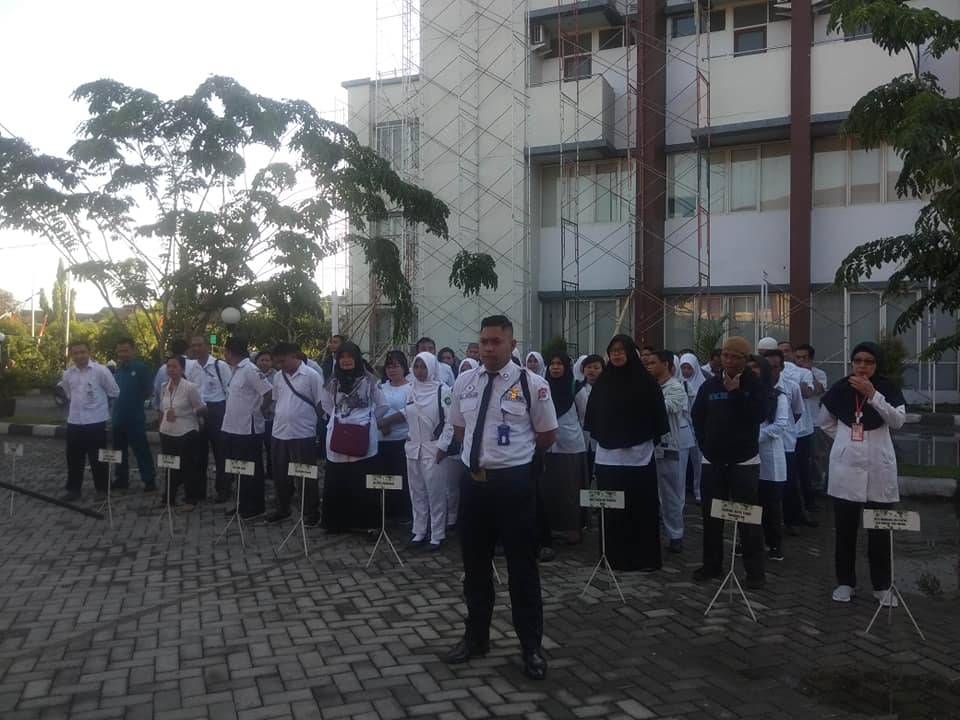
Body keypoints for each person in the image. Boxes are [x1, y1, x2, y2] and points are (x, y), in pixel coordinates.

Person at [445, 315, 558, 681]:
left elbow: (547, 435)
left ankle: (531, 647)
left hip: (514, 487)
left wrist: (514, 462)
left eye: (496, 342)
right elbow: (459, 428)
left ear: (511, 344)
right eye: (484, 342)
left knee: (522, 569)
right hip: (474, 487)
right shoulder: (465, 381)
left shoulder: (531, 384)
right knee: (474, 567)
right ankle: (476, 637)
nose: (488, 348)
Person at [820, 342, 906, 606]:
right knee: (845, 530)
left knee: (879, 530)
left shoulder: (888, 388)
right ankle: (845, 582)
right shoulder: (840, 389)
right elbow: (825, 422)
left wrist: (873, 396)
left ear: (877, 365)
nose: (862, 366)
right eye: (857, 361)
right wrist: (846, 442)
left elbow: (897, 421)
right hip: (846, 468)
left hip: (879, 467)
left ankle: (881, 586)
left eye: (869, 362)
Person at [584, 335, 668, 573]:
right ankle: (613, 556)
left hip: (638, 454)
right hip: (608, 454)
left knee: (640, 506)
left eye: (621, 350)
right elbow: (594, 416)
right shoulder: (603, 383)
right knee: (612, 508)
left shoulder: (646, 382)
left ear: (631, 353)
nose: (617, 354)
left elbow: (657, 414)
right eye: (613, 351)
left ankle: (643, 557)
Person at [691, 336, 767, 589]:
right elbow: (698, 416)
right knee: (711, 516)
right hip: (713, 460)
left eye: (736, 357)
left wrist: (736, 394)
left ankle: (754, 572)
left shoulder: (755, 385)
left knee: (748, 519)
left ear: (746, 360)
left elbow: (759, 415)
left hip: (744, 461)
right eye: (726, 355)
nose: (730, 361)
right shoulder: (710, 385)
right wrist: (705, 445)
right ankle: (712, 564)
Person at [320, 342, 388, 533]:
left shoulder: (369, 380)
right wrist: (343, 419)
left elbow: (383, 405)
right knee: (337, 481)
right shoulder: (332, 382)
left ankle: (366, 524)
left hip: (363, 437)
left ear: (357, 358)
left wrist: (368, 420)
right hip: (338, 436)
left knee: (362, 482)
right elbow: (326, 405)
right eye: (342, 357)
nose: (346, 360)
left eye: (350, 356)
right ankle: (337, 523)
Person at [266, 343, 323, 526]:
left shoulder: (312, 376)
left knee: (305, 474)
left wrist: (318, 429)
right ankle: (283, 508)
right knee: (280, 474)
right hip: (279, 431)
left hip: (303, 432)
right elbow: (277, 400)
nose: (280, 365)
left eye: (283, 361)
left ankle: (311, 512)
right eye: (277, 362)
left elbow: (320, 403)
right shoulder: (278, 377)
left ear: (294, 356)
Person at [644, 350, 695, 554]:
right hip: (646, 446)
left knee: (670, 493)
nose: (649, 366)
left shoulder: (675, 387)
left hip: (667, 446)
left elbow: (668, 407)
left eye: (653, 363)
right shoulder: (649, 386)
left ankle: (675, 534)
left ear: (665, 364)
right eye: (647, 363)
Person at [58, 340, 120, 502]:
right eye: (75, 353)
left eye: (82, 352)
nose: (79, 356)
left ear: (89, 353)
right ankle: (73, 490)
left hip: (96, 422)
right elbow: (68, 393)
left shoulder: (101, 371)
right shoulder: (68, 374)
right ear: (71, 355)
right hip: (74, 422)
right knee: (73, 458)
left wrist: (100, 405)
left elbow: (114, 391)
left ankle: (102, 489)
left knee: (98, 458)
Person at [404, 352, 454, 549]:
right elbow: (409, 416)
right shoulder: (411, 390)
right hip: (413, 449)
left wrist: (443, 446)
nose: (419, 371)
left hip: (434, 448)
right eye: (416, 367)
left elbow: (451, 421)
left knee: (436, 493)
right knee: (417, 492)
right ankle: (419, 531)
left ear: (432, 367)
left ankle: (437, 534)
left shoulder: (443, 390)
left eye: (423, 367)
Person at [219, 337, 272, 519]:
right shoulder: (235, 370)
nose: (224, 354)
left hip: (248, 429)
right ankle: (242, 503)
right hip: (233, 427)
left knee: (252, 470)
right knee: (239, 468)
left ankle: (255, 506)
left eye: (225, 351)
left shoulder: (250, 369)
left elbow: (268, 392)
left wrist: (260, 410)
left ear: (230, 352)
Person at [747, 355, 790, 562]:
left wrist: (751, 436)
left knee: (771, 504)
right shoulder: (742, 393)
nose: (752, 371)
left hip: (770, 456)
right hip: (746, 456)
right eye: (749, 367)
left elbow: (780, 425)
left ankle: (774, 543)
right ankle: (749, 541)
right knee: (749, 501)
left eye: (756, 367)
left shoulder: (777, 396)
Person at [542, 352, 586, 545]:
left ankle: (572, 527)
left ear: (567, 367)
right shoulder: (541, 386)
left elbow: (584, 414)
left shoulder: (575, 386)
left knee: (569, 488)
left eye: (559, 364)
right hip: (546, 445)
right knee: (548, 488)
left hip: (570, 445)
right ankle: (550, 526)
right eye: (552, 363)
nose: (555, 367)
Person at [158, 356, 206, 509]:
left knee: (187, 467)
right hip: (167, 431)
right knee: (169, 465)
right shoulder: (164, 386)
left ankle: (191, 499)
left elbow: (202, 408)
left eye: (175, 367)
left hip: (186, 431)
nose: (171, 370)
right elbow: (162, 408)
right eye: (168, 366)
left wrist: (187, 413)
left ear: (182, 369)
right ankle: (169, 497)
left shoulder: (190, 387)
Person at [187, 336, 231, 502]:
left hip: (217, 410)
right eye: (193, 346)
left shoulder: (220, 366)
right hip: (198, 410)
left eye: (199, 345)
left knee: (221, 453)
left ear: (207, 346)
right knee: (198, 454)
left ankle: (223, 489)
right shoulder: (191, 368)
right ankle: (199, 490)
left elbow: (229, 390)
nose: (196, 349)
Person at [111, 338, 156, 492]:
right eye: (119, 351)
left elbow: (149, 390)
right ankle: (121, 479)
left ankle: (149, 480)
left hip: (135, 418)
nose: (122, 354)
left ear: (133, 350)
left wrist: (136, 400)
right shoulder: (117, 370)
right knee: (119, 451)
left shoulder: (140, 368)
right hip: (118, 418)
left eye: (125, 351)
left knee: (141, 450)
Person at [378, 351, 412, 521]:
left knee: (401, 476)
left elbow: (409, 410)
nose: (392, 370)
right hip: (381, 439)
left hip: (401, 439)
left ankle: (402, 513)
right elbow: (372, 406)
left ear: (404, 367)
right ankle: (386, 512)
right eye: (389, 367)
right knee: (383, 476)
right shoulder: (380, 387)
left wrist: (388, 421)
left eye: (396, 366)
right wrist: (380, 423)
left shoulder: (411, 388)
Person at [795, 343, 829, 496]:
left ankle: (817, 487)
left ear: (811, 359)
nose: (800, 361)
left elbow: (818, 390)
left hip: (815, 420)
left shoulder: (819, 374)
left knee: (817, 455)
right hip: (798, 422)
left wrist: (808, 372)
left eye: (804, 358)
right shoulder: (791, 372)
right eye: (798, 357)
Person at [678, 352, 706, 503]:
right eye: (683, 368)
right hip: (685, 429)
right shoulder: (677, 384)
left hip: (699, 429)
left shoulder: (703, 385)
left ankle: (699, 490)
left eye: (689, 368)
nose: (686, 371)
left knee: (699, 463)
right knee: (681, 466)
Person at [254, 350, 276, 479]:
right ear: (256, 361)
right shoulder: (252, 374)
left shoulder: (277, 376)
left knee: (270, 447)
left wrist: (266, 408)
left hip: (271, 417)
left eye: (267, 360)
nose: (264, 362)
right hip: (255, 416)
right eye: (261, 360)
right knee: (256, 447)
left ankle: (271, 471)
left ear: (272, 362)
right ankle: (258, 472)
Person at [152, 338, 192, 409]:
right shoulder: (194, 365)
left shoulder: (163, 368)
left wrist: (157, 406)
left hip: (166, 408)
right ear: (187, 350)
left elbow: (157, 389)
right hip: (188, 409)